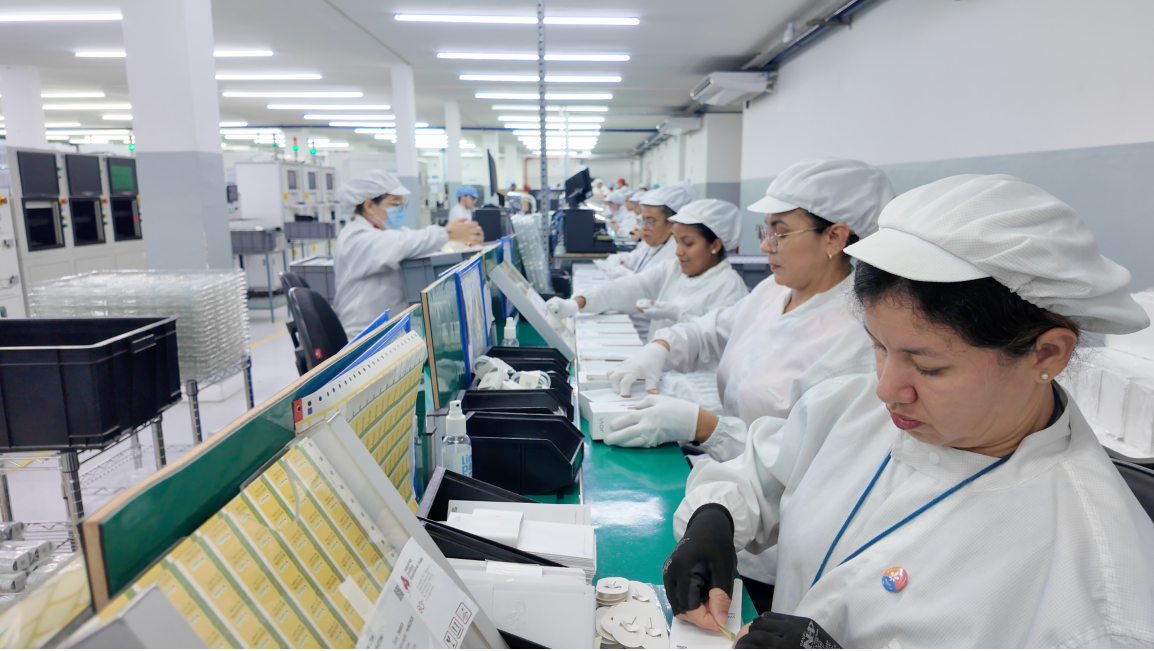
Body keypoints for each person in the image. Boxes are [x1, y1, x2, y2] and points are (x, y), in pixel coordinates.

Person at [664, 174, 1154, 648]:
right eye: (878, 346)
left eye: (929, 367)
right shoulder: (853, 404)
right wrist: (715, 517)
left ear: (1046, 354)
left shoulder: (1097, 589)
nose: (886, 389)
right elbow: (760, 473)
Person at [607, 159, 894, 459]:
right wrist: (661, 348)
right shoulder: (775, 289)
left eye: (780, 233)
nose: (765, 246)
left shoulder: (857, 338)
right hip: (726, 466)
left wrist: (708, 429)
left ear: (834, 237)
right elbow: (711, 330)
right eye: (765, 231)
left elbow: (808, 457)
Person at [545, 199, 748, 339]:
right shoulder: (673, 269)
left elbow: (718, 341)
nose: (678, 252)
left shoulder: (729, 288)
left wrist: (679, 315)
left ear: (715, 245)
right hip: (662, 374)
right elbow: (629, 288)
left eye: (688, 243)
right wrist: (577, 303)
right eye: (677, 242)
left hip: (699, 385)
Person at [333, 170, 483, 339]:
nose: (400, 209)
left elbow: (415, 242)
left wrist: (454, 240)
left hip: (388, 332)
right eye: (394, 204)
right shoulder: (355, 238)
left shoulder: (388, 231)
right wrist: (447, 233)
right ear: (369, 206)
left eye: (402, 204)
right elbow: (402, 243)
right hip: (362, 339)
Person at [594, 184, 697, 279]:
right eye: (643, 220)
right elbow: (633, 258)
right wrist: (619, 261)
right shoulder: (652, 243)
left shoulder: (676, 255)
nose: (644, 227)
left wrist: (624, 274)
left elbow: (648, 285)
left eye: (651, 221)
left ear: (673, 224)